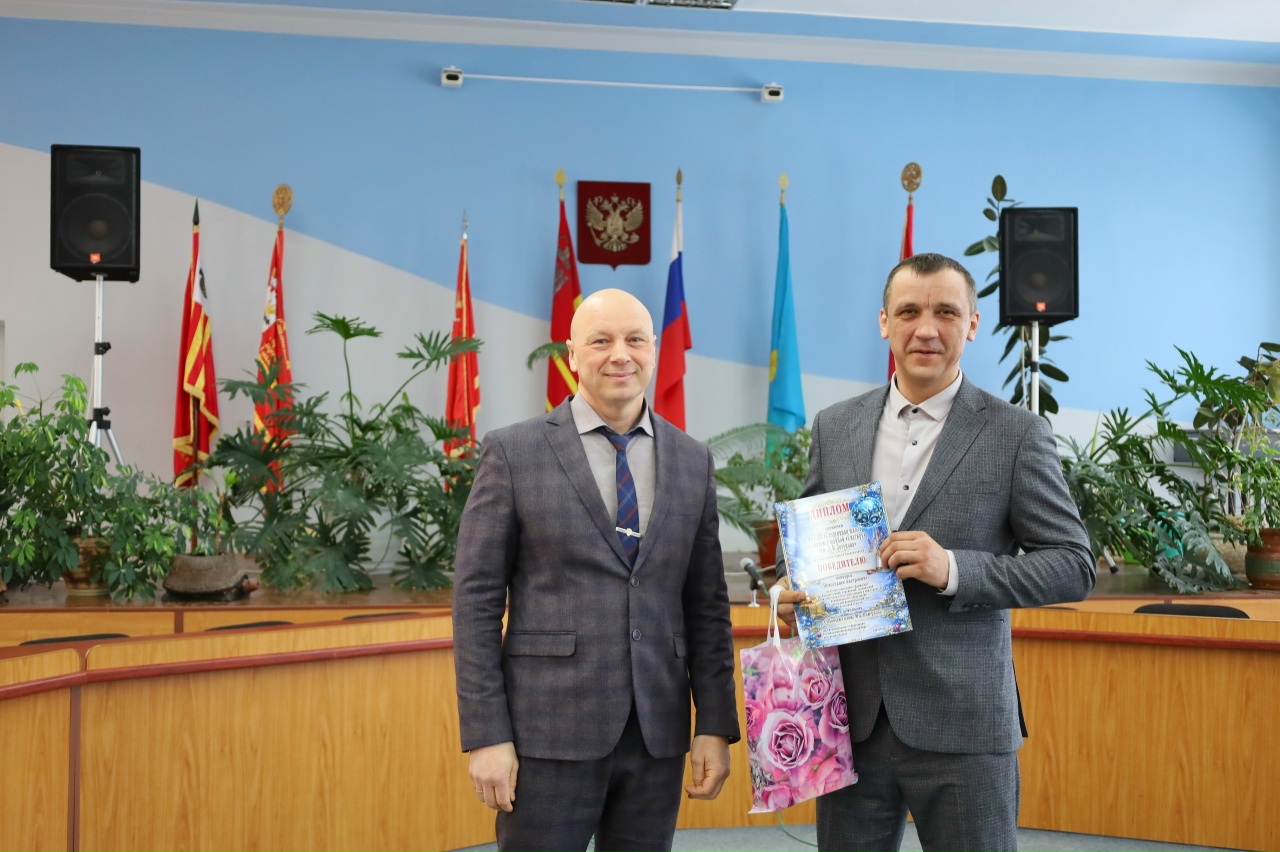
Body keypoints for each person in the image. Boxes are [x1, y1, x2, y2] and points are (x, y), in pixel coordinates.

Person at [776, 253, 1095, 852]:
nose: (926, 329)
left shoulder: (1016, 433)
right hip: (850, 720)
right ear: (884, 322)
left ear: (972, 324)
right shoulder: (834, 426)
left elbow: (1073, 565)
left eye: (946, 312)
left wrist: (953, 569)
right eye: (909, 312)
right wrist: (789, 591)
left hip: (964, 724)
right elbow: (802, 546)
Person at [452, 288, 740, 852]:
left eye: (635, 340)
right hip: (546, 733)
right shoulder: (513, 452)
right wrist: (486, 734)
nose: (620, 355)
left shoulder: (692, 460)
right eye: (601, 341)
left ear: (654, 350)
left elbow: (706, 605)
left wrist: (713, 723)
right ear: (572, 354)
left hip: (657, 732)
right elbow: (476, 602)